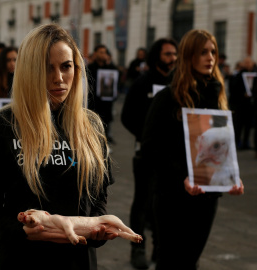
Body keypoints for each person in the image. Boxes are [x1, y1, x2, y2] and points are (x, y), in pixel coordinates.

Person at [0, 24, 131, 270]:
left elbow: (99, 197)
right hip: (21, 260)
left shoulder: (92, 126)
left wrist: (97, 231)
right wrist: (22, 230)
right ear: (29, 71)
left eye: (66, 66)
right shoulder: (3, 125)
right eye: (47, 69)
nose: (58, 78)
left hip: (78, 260)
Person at [141, 29, 244, 270]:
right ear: (188, 56)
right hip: (172, 197)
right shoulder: (168, 97)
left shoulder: (217, 96)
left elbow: (220, 149)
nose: (211, 57)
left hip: (207, 197)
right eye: (203, 52)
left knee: (190, 262)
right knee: (170, 262)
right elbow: (149, 149)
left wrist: (230, 177)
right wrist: (181, 179)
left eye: (213, 52)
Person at [121, 38, 177, 269]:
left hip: (170, 155)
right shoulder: (142, 83)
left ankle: (160, 249)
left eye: (175, 54)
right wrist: (145, 136)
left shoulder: (177, 83)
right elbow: (126, 116)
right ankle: (137, 248)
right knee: (142, 202)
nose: (172, 58)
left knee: (163, 203)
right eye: (167, 54)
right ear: (156, 56)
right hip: (144, 153)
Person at [86, 44, 119, 144]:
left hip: (106, 101)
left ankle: (105, 142)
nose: (103, 54)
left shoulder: (110, 67)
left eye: (104, 52)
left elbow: (115, 78)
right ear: (96, 54)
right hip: (94, 101)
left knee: (106, 122)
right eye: (101, 52)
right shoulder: (90, 67)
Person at [229, 56, 255, 150]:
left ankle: (246, 142)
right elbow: (234, 88)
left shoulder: (254, 73)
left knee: (248, 125)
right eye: (246, 62)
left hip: (251, 105)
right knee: (238, 125)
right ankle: (237, 142)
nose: (248, 64)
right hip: (240, 104)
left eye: (249, 62)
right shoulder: (240, 74)